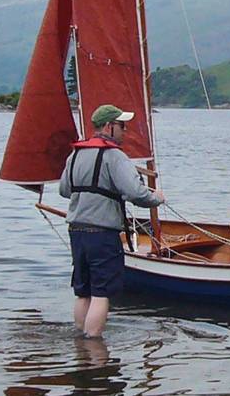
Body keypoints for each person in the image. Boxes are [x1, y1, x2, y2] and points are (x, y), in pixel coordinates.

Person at [59, 104, 164, 338]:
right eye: (122, 126)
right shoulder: (115, 157)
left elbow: (65, 190)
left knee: (83, 291)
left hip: (76, 232)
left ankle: (80, 343)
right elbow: (136, 193)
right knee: (101, 293)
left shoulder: (74, 154)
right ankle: (95, 349)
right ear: (109, 126)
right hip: (102, 234)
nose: (125, 131)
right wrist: (156, 199)